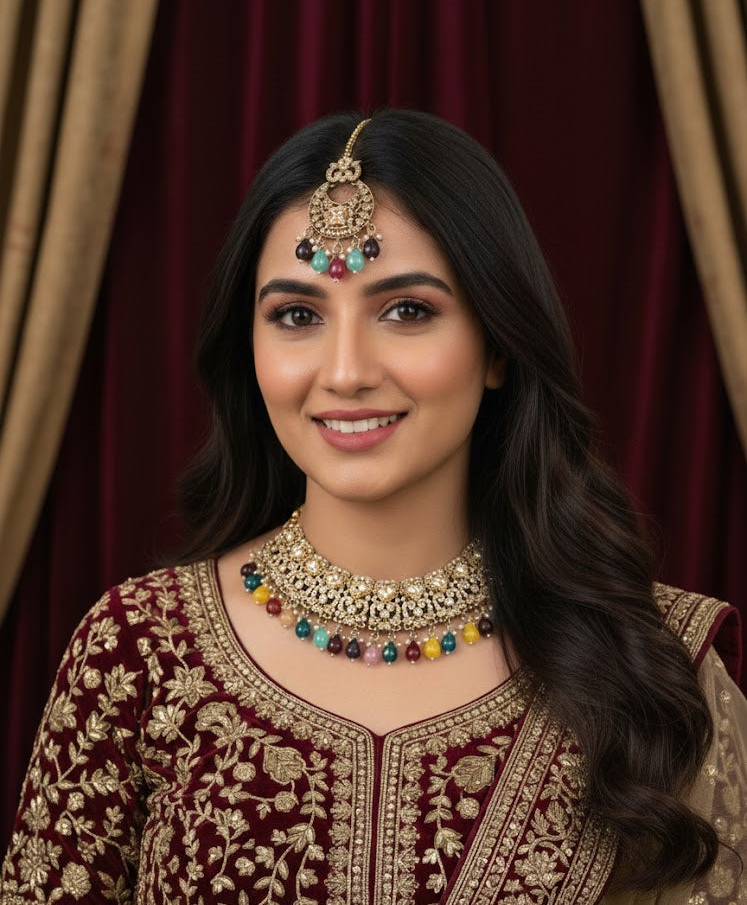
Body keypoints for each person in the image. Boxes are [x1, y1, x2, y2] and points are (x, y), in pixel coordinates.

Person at [1, 110, 745, 904]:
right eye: (297, 315)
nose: (346, 371)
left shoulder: (658, 669)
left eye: (406, 311)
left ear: (496, 344)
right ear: (247, 347)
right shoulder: (139, 652)